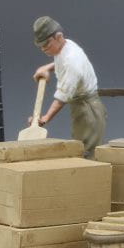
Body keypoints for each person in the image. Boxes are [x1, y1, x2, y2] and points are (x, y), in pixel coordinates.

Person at [31, 16, 107, 157]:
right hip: (79, 105)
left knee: (87, 150)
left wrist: (45, 118)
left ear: (59, 37)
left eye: (47, 44)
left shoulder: (72, 60)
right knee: (80, 145)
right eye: (40, 46)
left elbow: (63, 95)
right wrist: (48, 68)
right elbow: (62, 62)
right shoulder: (66, 47)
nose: (44, 49)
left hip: (88, 109)